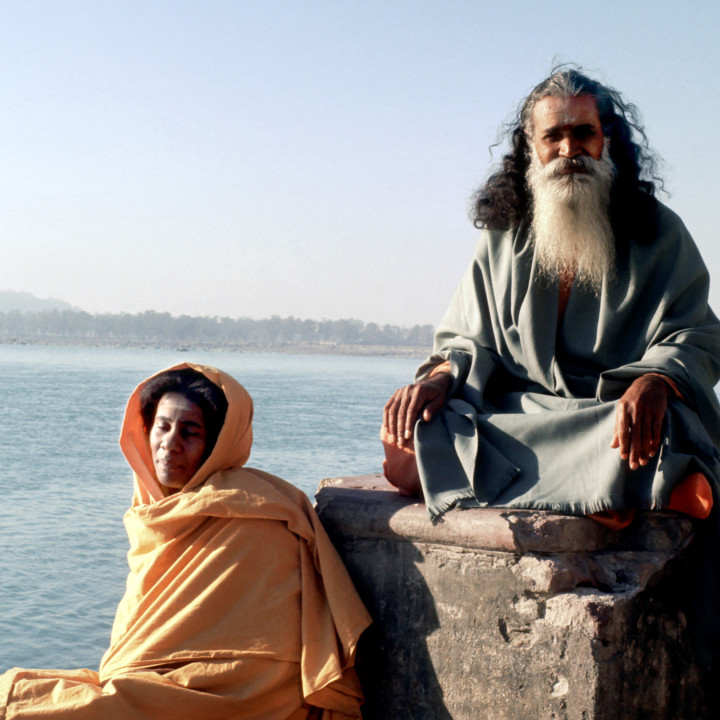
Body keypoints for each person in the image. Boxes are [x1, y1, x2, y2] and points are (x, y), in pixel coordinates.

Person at [382, 67, 720, 667]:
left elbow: (698, 334)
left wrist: (656, 378)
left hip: (613, 415)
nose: (569, 150)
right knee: (422, 434)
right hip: (527, 412)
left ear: (607, 140)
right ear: (531, 149)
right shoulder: (504, 238)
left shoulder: (657, 233)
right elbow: (467, 339)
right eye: (553, 137)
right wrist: (436, 377)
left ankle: (620, 476)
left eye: (583, 134)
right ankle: (609, 488)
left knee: (654, 428)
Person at [1, 363, 371, 719]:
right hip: (159, 683)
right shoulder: (154, 513)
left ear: (218, 444)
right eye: (162, 427)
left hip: (241, 695)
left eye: (189, 432)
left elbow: (270, 658)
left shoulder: (260, 513)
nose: (169, 444)